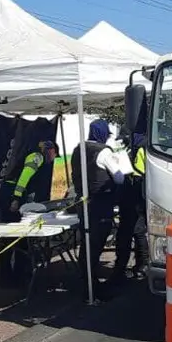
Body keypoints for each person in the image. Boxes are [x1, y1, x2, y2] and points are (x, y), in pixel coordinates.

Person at [70, 119, 128, 301]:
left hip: (82, 202)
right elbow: (119, 177)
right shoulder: (103, 152)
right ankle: (93, 288)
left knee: (86, 243)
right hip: (100, 203)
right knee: (96, 243)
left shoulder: (77, 149)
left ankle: (86, 282)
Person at [0, 140, 57, 288]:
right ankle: (8, 277)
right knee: (11, 237)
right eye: (54, 154)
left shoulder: (34, 155)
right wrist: (16, 198)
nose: (53, 159)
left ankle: (18, 274)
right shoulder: (37, 157)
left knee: (21, 238)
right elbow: (24, 178)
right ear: (50, 150)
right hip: (10, 194)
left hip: (13, 193)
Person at [111, 132, 149, 283]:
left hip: (132, 196)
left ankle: (134, 266)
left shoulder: (139, 148)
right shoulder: (143, 145)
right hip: (137, 197)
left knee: (133, 232)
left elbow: (138, 173)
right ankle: (140, 265)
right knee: (137, 232)